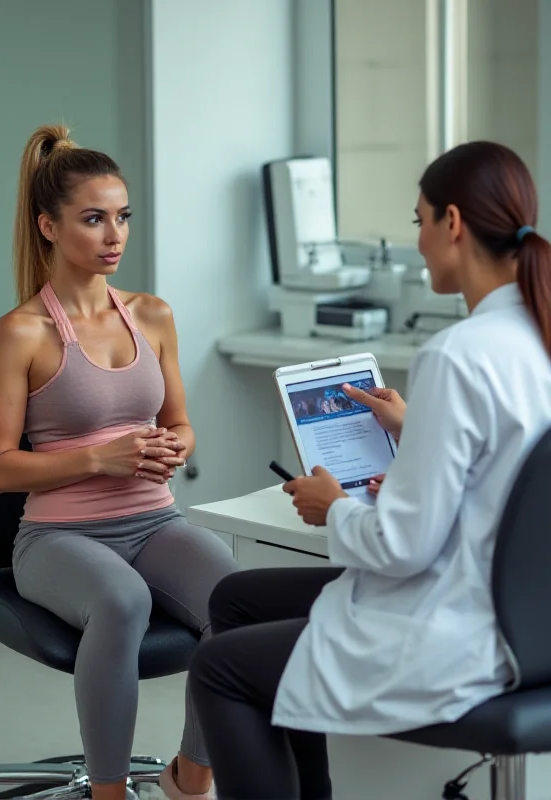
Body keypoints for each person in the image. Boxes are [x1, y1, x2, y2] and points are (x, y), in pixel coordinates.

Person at [188, 140, 551, 800]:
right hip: (533, 620)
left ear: (453, 223)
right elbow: (519, 465)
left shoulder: (458, 354)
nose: (416, 242)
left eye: (418, 221)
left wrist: (335, 507)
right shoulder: (536, 335)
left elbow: (403, 548)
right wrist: (422, 432)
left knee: (218, 669)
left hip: (465, 627)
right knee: (235, 600)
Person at [0, 124, 238, 800]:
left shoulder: (151, 315)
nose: (114, 234)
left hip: (154, 524)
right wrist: (101, 457)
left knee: (236, 601)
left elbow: (180, 422)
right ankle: (110, 792)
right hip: (58, 538)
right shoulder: (21, 333)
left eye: (122, 217)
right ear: (48, 226)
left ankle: (191, 776)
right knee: (121, 602)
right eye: (93, 219)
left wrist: (178, 444)